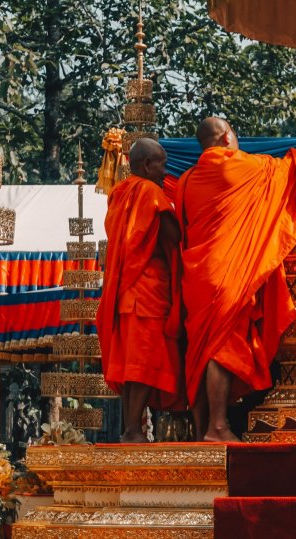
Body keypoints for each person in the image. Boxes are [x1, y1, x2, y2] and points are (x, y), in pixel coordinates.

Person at [176, 117, 296, 442]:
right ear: (224, 137)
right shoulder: (232, 166)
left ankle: (202, 428)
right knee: (221, 346)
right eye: (234, 133)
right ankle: (218, 426)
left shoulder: (186, 179)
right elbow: (286, 170)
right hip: (227, 272)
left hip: (198, 274)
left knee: (202, 351)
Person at [96, 138, 182, 442]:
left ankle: (130, 429)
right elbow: (174, 237)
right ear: (147, 165)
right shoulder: (148, 192)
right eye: (162, 164)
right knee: (143, 364)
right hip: (147, 290)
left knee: (132, 365)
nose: (165, 171)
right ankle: (133, 430)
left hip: (126, 290)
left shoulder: (119, 193)